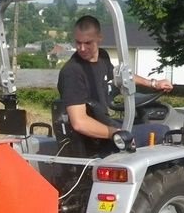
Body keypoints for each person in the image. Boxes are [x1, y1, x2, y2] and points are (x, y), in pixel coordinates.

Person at [57, 15, 173, 148]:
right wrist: (116, 133)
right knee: (163, 131)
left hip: (106, 124)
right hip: (95, 140)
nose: (82, 48)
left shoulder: (102, 57)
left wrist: (153, 83)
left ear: (99, 38)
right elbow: (79, 123)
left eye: (88, 43)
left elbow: (122, 77)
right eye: (78, 43)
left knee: (140, 124)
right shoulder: (73, 72)